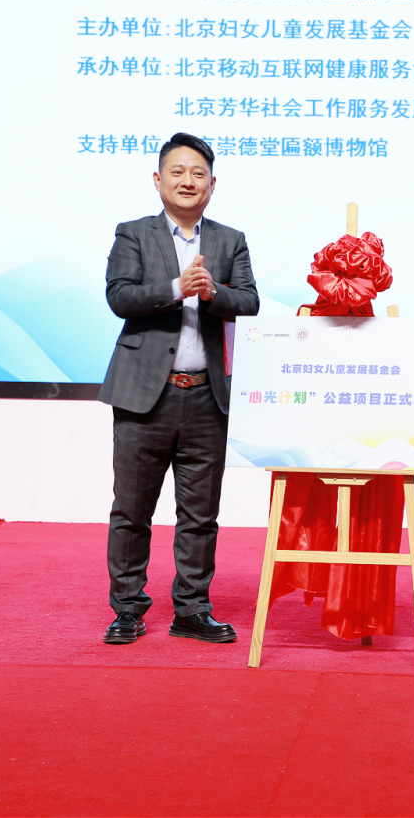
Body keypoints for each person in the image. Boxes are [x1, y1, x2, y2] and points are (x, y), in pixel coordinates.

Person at [98, 132, 259, 645]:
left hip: (207, 396)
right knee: (131, 510)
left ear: (212, 184)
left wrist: (214, 293)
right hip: (145, 395)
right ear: (158, 179)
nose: (188, 181)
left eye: (198, 173)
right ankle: (127, 610)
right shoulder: (133, 234)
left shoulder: (230, 240)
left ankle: (192, 609)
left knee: (200, 515)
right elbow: (119, 297)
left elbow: (250, 302)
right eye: (177, 171)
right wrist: (176, 289)